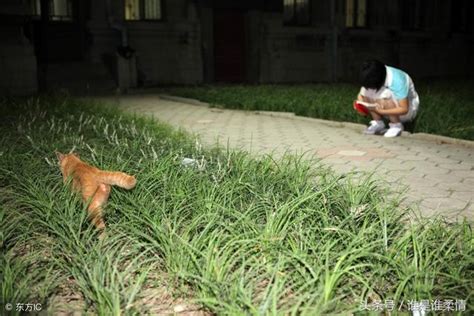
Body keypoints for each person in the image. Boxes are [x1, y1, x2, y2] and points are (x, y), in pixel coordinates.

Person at [355, 59, 420, 137]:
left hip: (408, 110)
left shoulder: (397, 80)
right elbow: (361, 95)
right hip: (386, 109)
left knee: (386, 94)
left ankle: (396, 125)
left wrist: (381, 112)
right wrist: (361, 107)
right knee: (366, 91)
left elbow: (404, 109)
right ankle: (378, 123)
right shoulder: (374, 73)